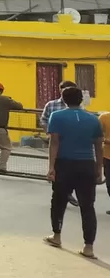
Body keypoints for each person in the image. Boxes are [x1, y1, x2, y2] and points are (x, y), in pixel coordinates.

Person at [45, 86, 104, 259]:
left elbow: (54, 142)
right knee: (87, 206)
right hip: (86, 165)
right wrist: (98, 169)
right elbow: (98, 146)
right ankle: (89, 247)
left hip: (64, 164)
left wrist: (51, 167)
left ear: (63, 99)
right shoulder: (93, 119)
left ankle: (56, 236)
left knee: (59, 201)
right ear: (81, 99)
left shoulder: (57, 116)